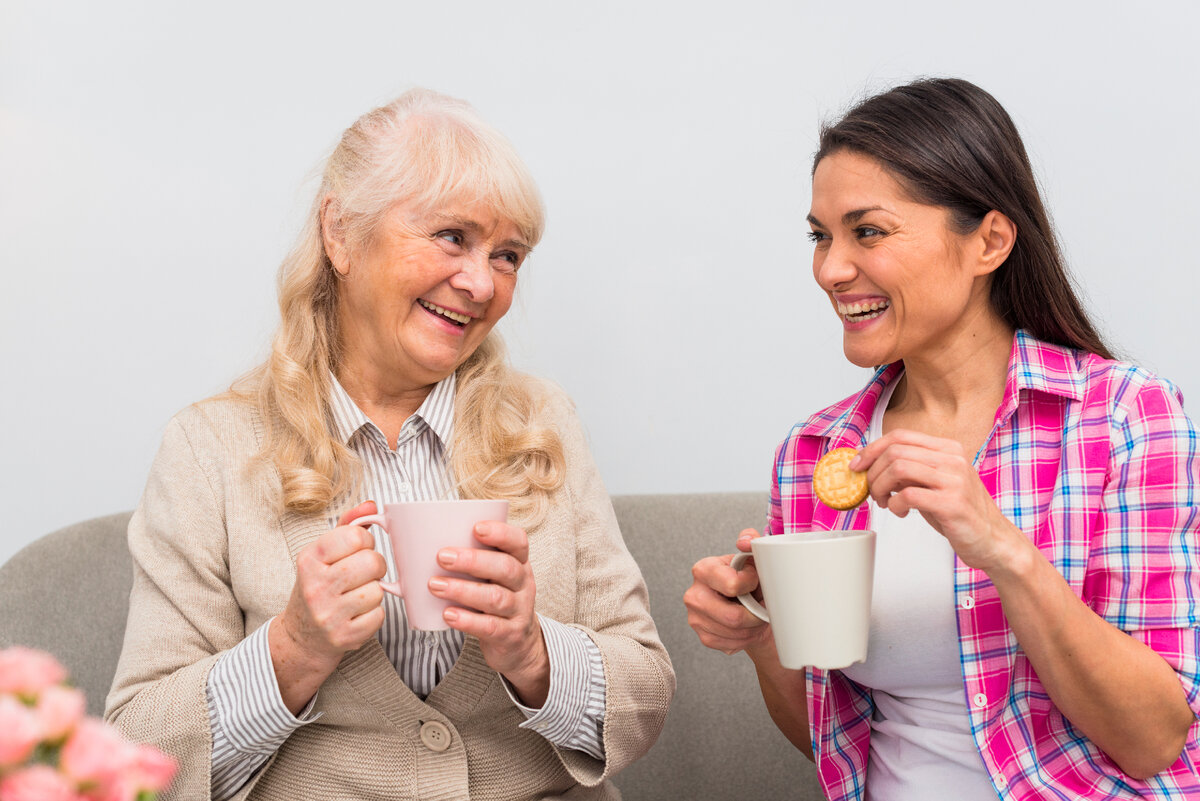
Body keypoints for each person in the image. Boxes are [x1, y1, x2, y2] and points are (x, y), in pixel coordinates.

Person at [105, 88, 674, 800]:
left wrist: (533, 653)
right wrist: (293, 651)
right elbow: (134, 751)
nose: (479, 283)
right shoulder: (209, 448)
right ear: (340, 232)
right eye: (451, 237)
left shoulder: (544, 422)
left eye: (507, 255)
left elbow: (647, 689)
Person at [684, 77, 1199, 800]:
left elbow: (1154, 739)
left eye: (867, 231)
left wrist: (1001, 547)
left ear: (989, 240)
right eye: (820, 236)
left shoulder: (1123, 416)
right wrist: (765, 637)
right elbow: (833, 746)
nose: (830, 269)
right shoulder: (816, 451)